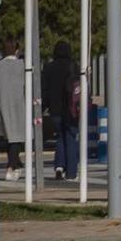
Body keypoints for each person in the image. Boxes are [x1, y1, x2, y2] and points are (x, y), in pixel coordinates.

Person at [41, 40, 76, 181]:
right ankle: (71, 172)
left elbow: (44, 90)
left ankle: (59, 166)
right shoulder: (73, 66)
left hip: (55, 110)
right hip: (72, 109)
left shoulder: (49, 68)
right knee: (70, 138)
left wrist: (44, 106)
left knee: (60, 137)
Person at [0, 40, 26, 180]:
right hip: (19, 104)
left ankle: (16, 164)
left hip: (1, 104)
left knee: (10, 137)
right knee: (17, 137)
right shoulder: (22, 65)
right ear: (17, 50)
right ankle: (11, 166)